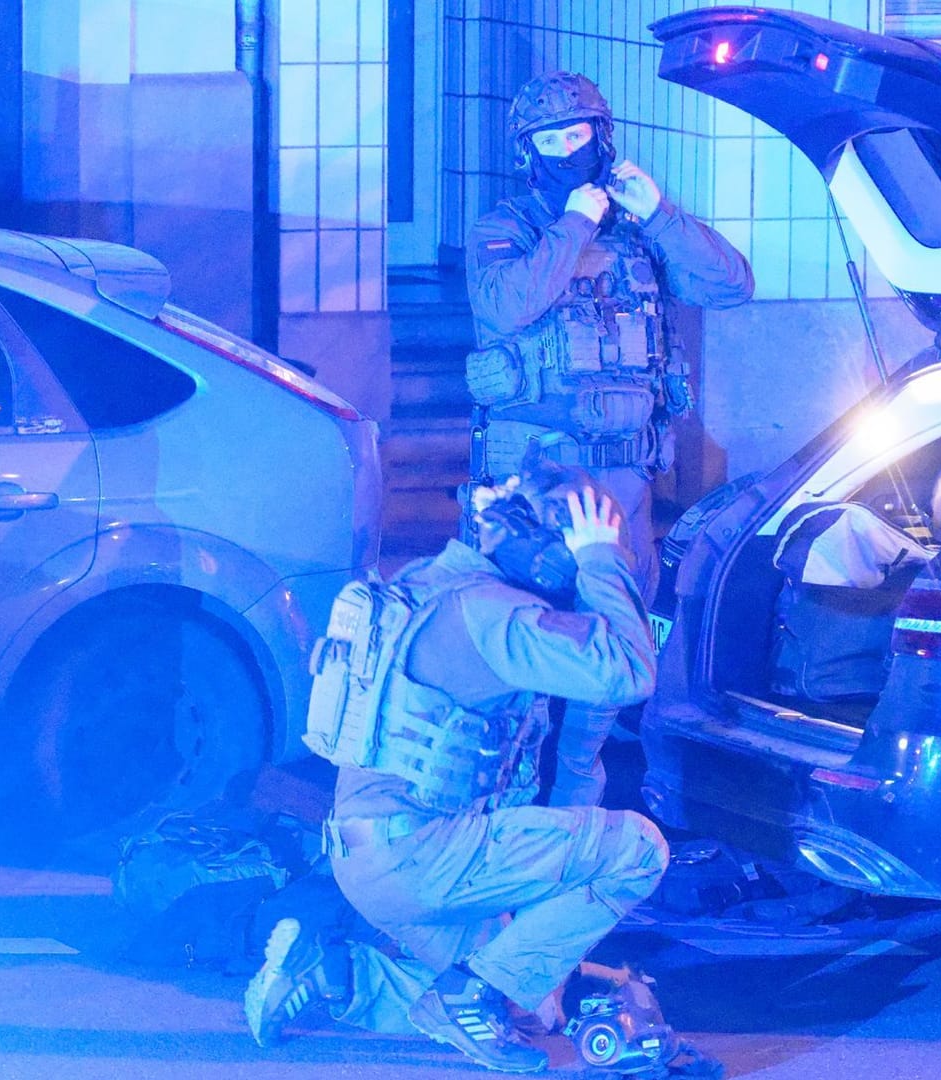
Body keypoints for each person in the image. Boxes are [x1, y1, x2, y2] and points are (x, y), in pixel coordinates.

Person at [244, 464, 668, 1074]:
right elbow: (628, 669)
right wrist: (603, 558)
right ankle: (467, 998)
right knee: (638, 850)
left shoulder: (430, 582)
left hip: (365, 858)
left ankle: (335, 975)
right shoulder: (498, 617)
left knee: (537, 1007)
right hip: (422, 855)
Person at [465, 70, 752, 808]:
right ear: (528, 151)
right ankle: (510, 804)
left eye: (580, 134)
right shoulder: (508, 227)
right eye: (552, 139)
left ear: (603, 136)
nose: (569, 149)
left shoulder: (638, 231)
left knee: (614, 639)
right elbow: (506, 305)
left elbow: (729, 286)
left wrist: (659, 215)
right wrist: (573, 224)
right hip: (538, 478)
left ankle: (578, 801)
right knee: (530, 641)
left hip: (626, 480)